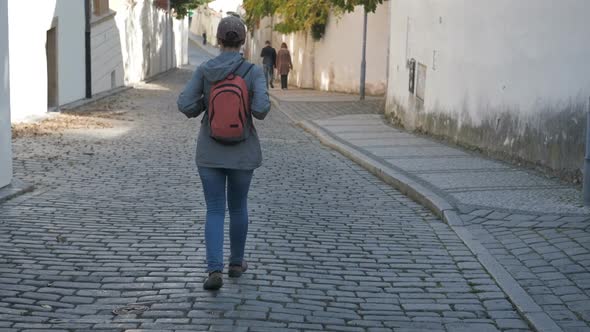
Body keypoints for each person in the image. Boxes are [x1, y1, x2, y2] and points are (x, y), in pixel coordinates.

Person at [177, 16, 270, 291]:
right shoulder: (253, 72)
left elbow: (185, 104)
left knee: (215, 209)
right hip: (242, 152)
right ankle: (237, 263)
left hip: (210, 150)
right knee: (239, 207)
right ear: (243, 41)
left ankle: (213, 268)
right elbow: (262, 110)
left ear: (218, 40)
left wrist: (205, 104)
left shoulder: (205, 70)